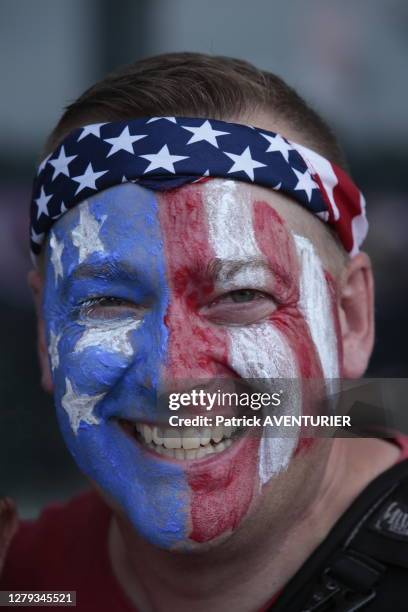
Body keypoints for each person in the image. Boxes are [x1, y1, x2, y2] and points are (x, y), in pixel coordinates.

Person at [1, 52, 407, 611]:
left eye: (242, 296)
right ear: (47, 335)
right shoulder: (26, 581)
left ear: (351, 318)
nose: (173, 377)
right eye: (108, 302)